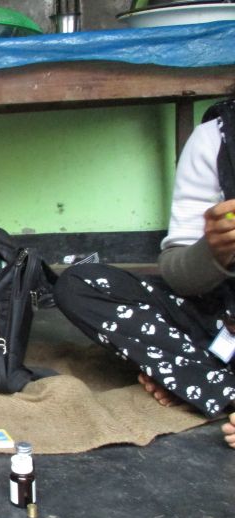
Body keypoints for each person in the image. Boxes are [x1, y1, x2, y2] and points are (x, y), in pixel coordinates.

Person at [54, 93, 235, 448]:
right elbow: (179, 276)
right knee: (80, 284)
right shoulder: (216, 138)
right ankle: (211, 380)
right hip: (221, 322)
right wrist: (213, 251)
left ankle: (198, 380)